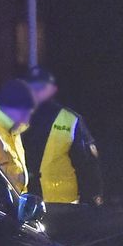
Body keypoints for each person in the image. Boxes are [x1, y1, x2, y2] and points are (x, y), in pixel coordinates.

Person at [21, 67, 104, 206]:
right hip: (24, 203)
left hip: (61, 205)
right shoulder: (15, 116)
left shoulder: (70, 120)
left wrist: (92, 198)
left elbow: (88, 166)